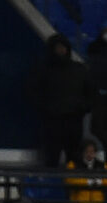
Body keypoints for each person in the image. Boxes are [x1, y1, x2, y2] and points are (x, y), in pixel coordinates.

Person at [32, 33, 92, 169]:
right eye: (58, 47)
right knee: (51, 159)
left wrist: (81, 108)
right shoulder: (42, 70)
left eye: (63, 47)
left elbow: (91, 94)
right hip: (51, 123)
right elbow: (33, 93)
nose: (61, 50)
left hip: (74, 122)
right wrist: (47, 109)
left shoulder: (79, 70)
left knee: (75, 160)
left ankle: (74, 188)